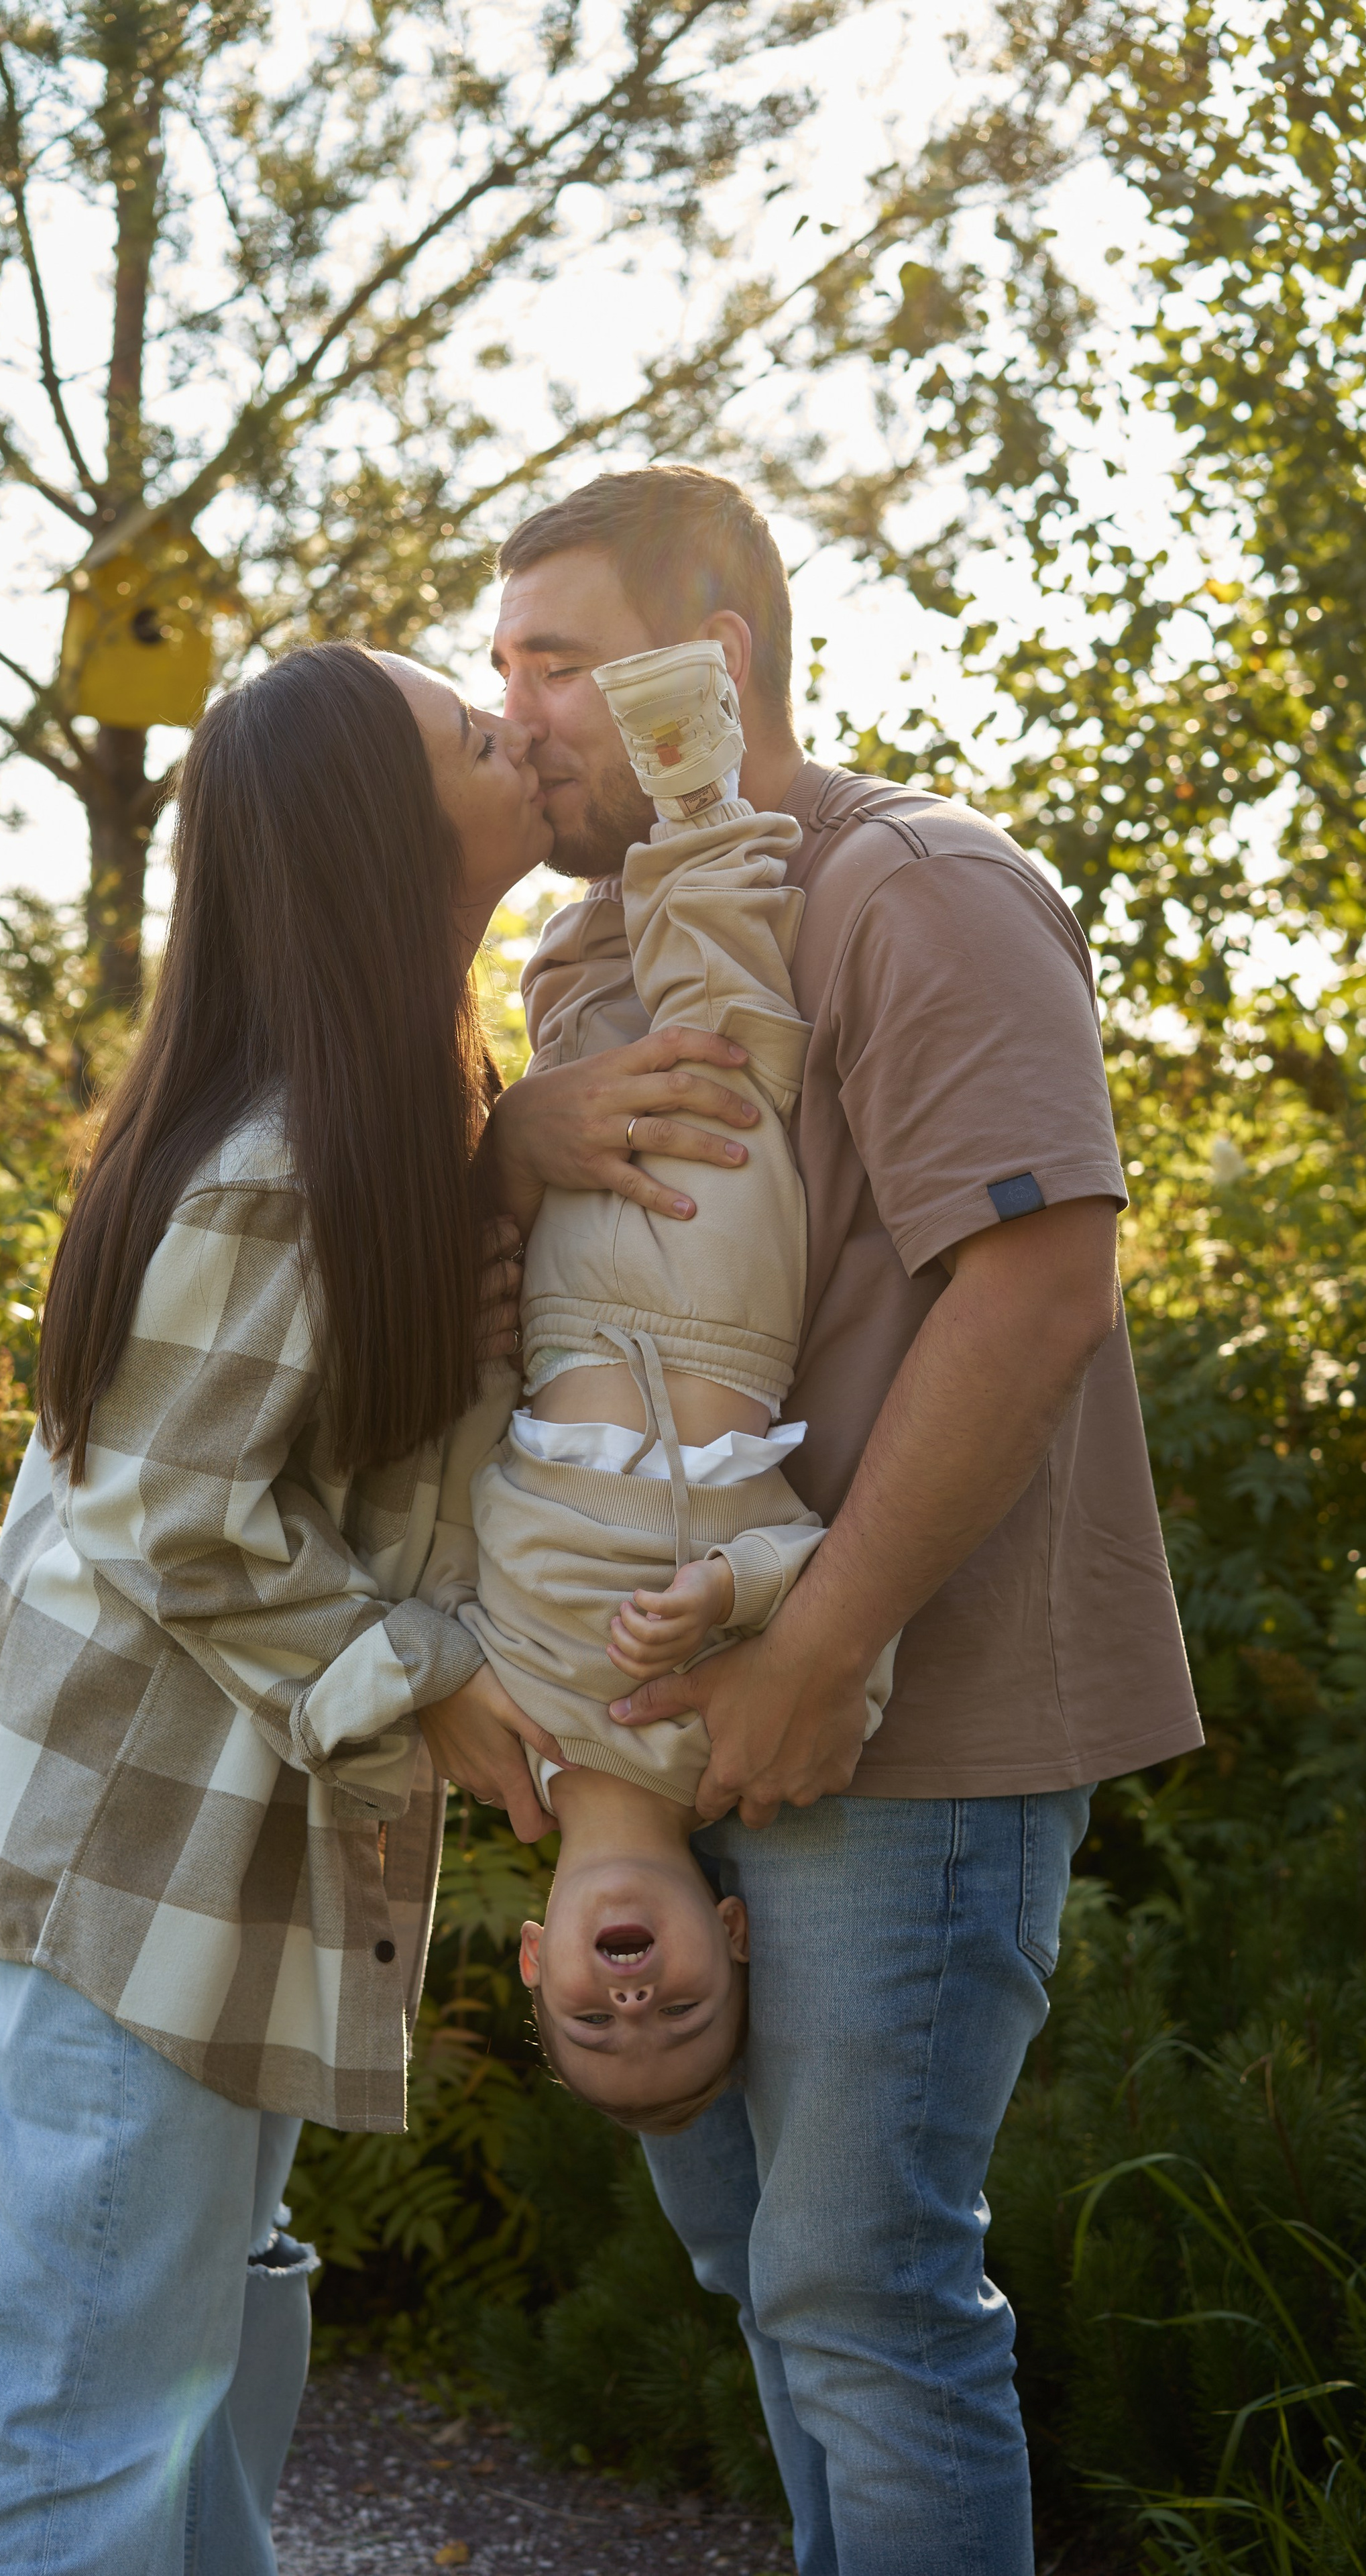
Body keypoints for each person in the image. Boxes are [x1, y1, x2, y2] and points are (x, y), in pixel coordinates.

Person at [0, 639, 762, 2576]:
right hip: (147, 1867)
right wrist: (431, 1686)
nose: (517, 730)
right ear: (388, 837)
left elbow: (358, 1457)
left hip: (232, 1867)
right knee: (85, 2402)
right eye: (473, 732)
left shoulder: (382, 1125)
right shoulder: (282, 1160)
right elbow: (177, 1511)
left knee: (206, 2351)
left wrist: (497, 1165)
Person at [486, 464, 1203, 2576]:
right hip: (673, 1729)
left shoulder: (919, 889)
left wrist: (816, 1643)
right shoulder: (584, 952)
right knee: (767, 2283)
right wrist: (511, 1141)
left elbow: (1041, 1285)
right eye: (499, 666)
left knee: (864, 2294)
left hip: (913, 1715)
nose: (516, 716)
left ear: (710, 662)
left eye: (558, 663)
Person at [424, 639, 890, 2132]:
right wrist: (733, 1593)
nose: (633, 2001)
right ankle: (692, 770)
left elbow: (419, 1565)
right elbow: (844, 1601)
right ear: (731, 1934)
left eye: (593, 2018)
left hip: (558, 1326)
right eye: (678, 2011)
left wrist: (426, 1688)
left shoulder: (496, 1738)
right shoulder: (737, 1751)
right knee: (718, 1061)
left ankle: (593, 907)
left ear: (534, 1957)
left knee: (580, 1041)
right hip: (715, 1324)